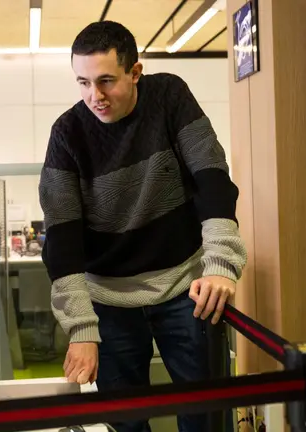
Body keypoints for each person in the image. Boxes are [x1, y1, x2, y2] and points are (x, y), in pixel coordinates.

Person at [38, 21, 247, 432]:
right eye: (83, 83)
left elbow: (212, 178)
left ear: (135, 72)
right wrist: (81, 327)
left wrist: (221, 265)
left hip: (185, 289)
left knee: (205, 415)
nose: (94, 97)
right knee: (125, 423)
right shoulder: (67, 133)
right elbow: (62, 239)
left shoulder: (169, 97)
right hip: (109, 300)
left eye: (106, 81)